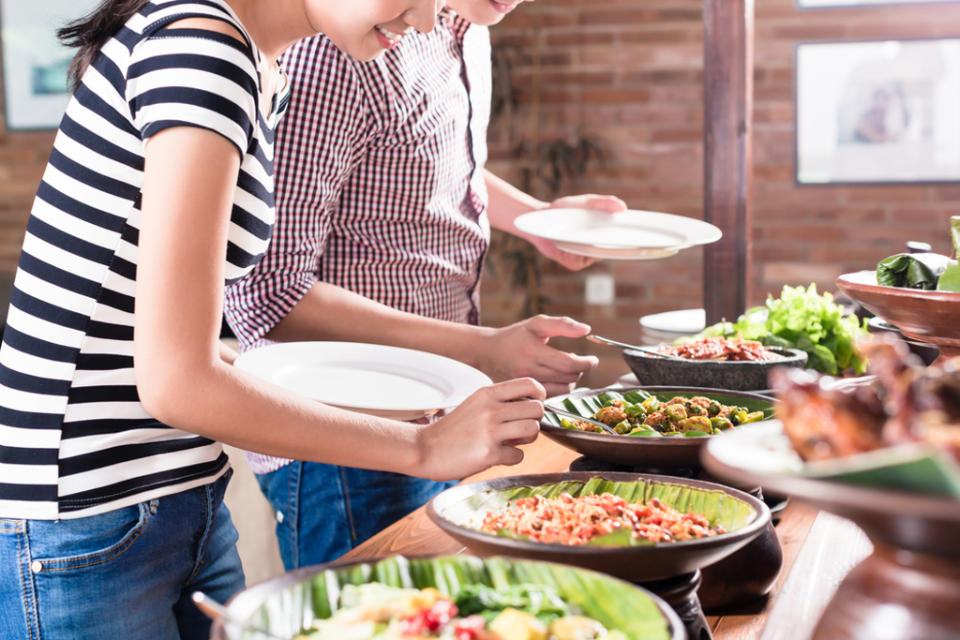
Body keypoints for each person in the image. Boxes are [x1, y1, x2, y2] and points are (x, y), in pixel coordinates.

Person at [0, 1, 547, 638]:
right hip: (91, 517)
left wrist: (364, 396)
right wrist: (424, 447)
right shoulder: (202, 53)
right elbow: (175, 381)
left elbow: (146, 331)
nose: (428, 20)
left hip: (175, 493)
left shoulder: (253, 58)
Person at [223, 0, 626, 570]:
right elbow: (270, 295)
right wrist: (486, 347)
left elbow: (415, 157)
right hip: (346, 437)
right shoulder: (338, 51)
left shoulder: (466, 28)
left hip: (442, 413)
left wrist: (537, 219)